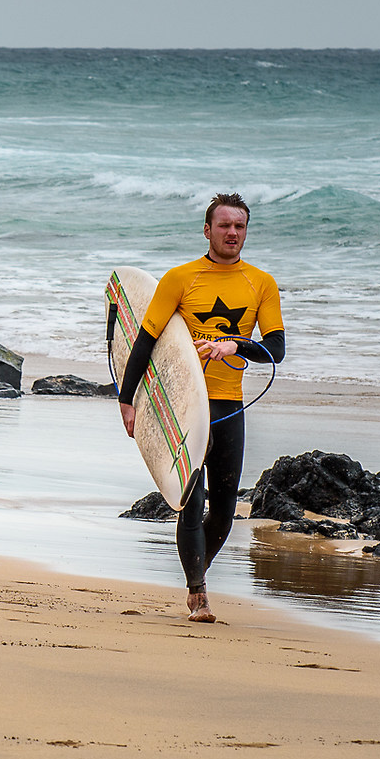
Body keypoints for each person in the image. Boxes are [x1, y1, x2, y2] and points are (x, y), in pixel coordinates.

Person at [116, 192, 284, 622]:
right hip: (182, 405)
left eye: (239, 226)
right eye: (224, 225)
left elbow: (276, 350)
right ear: (207, 230)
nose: (232, 233)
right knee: (190, 503)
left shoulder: (260, 283)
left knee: (225, 515)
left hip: (229, 405)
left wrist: (237, 343)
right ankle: (199, 592)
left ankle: (197, 573)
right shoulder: (181, 278)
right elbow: (146, 340)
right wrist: (127, 398)